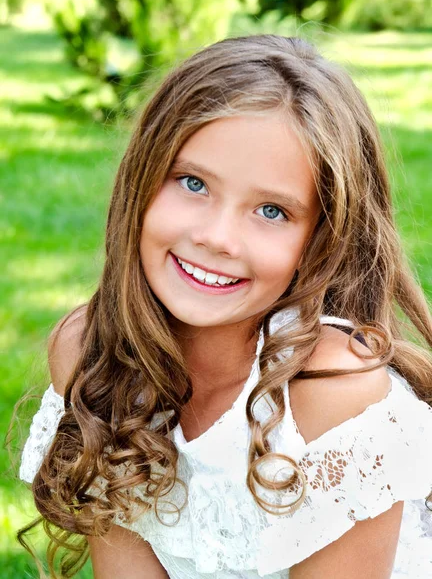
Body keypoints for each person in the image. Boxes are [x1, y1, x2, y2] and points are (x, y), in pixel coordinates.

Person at [17, 34, 432, 579]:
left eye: (271, 211)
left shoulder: (333, 393)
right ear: (140, 181)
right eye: (193, 183)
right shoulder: (91, 355)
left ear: (320, 241)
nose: (217, 237)